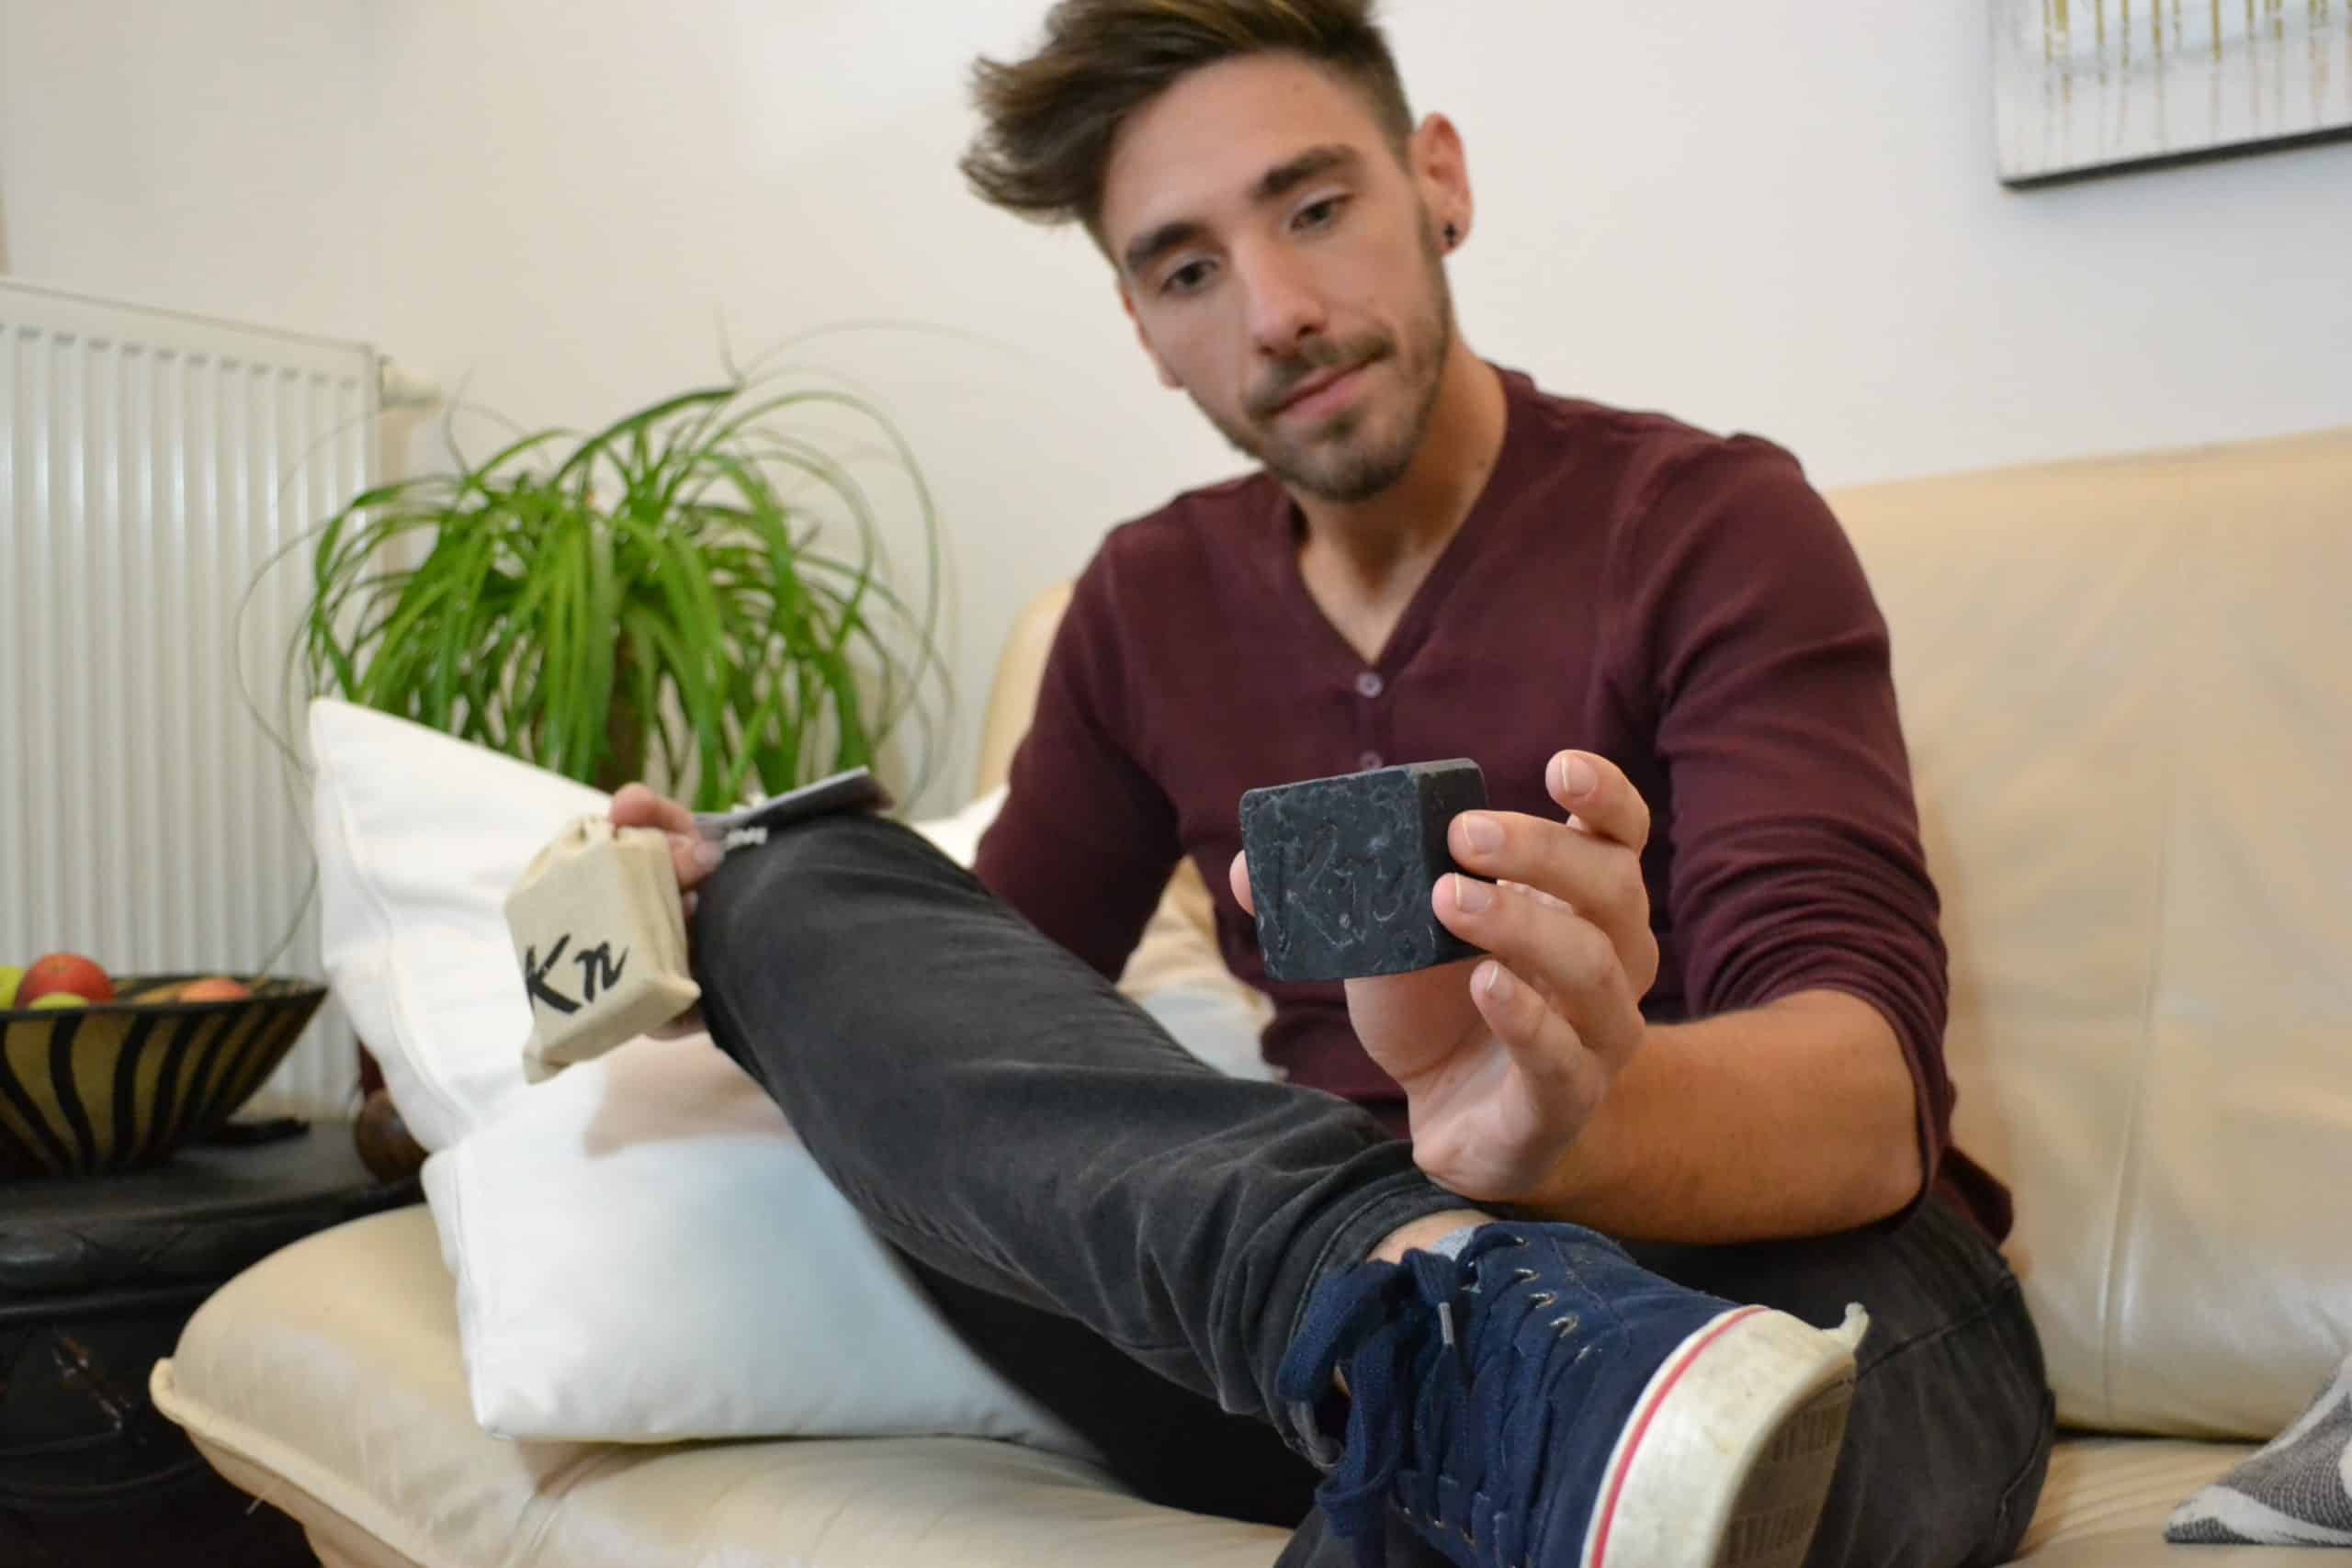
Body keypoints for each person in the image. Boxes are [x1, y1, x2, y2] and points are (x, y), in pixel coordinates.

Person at [613, 3, 2053, 1563]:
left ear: (1438, 180)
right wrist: (739, 947)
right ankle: (1422, 1340)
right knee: (788, 885)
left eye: (1313, 208)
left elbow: (1868, 1112)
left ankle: (1478, 1384)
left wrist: (1575, 1128)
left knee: (1611, 1457)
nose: (1278, 312)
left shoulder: (1710, 525)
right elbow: (992, 1034)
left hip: (1762, 1288)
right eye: (1188, 271)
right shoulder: (1143, 606)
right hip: (1301, 1330)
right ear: (1141, 326)